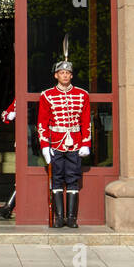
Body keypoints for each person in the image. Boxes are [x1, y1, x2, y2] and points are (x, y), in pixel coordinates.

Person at [38, 58, 91, 228]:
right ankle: (59, 218)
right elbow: (42, 123)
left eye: (68, 73)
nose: (65, 75)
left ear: (71, 75)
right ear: (56, 75)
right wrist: (45, 146)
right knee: (57, 179)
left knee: (73, 179)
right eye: (62, 73)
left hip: (75, 143)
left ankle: (72, 218)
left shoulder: (82, 95)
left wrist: (86, 143)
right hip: (56, 143)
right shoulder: (47, 95)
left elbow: (86, 122)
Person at [0, 99, 17, 219]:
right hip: (25, 140)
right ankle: (9, 206)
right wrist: (10, 116)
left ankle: (9, 206)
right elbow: (4, 115)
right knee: (20, 177)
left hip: (41, 140)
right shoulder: (18, 99)